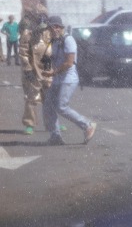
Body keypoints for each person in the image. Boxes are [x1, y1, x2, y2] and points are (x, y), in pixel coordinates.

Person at [41, 16, 96, 145]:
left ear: (59, 27)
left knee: (61, 106)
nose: (51, 30)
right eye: (50, 28)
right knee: (48, 105)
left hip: (68, 79)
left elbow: (69, 63)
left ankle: (87, 125)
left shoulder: (68, 40)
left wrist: (53, 72)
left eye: (54, 27)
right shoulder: (53, 41)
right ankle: (55, 136)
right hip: (57, 78)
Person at [19, 5, 53, 135]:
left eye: (43, 16)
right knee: (31, 98)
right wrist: (27, 69)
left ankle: (52, 123)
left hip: (47, 70)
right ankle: (29, 124)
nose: (42, 19)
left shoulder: (49, 33)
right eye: (39, 16)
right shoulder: (27, 34)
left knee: (50, 98)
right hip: (33, 70)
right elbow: (23, 53)